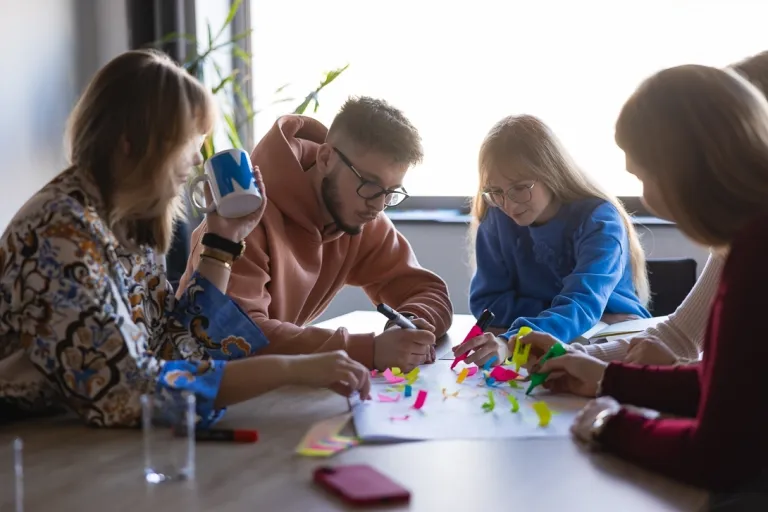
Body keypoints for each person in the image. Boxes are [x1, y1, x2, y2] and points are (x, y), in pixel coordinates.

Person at [0, 50, 370, 428]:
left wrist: (223, 241)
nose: (197, 159)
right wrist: (290, 370)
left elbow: (173, 345)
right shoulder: (61, 233)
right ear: (130, 143)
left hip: (71, 436)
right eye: (187, 141)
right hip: (25, 441)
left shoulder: (127, 224)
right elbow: (129, 391)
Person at [520, 64, 768, 492]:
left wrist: (608, 424)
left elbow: (718, 454)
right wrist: (606, 375)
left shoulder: (755, 251)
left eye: (642, 177)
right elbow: (731, 383)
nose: (647, 199)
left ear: (685, 168)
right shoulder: (749, 238)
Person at [178, 98, 453, 373]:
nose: (378, 205)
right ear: (325, 158)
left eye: (391, 192)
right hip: (199, 381)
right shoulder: (243, 218)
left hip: (270, 382)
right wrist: (369, 350)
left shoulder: (359, 214)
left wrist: (407, 322)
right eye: (370, 184)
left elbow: (428, 291)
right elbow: (239, 337)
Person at [572, 50, 768, 366]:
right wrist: (577, 357)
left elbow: (734, 395)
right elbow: (682, 339)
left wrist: (656, 375)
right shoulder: (739, 242)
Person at [457, 114, 650, 368]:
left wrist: (511, 339)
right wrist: (562, 311)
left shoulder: (599, 219)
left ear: (550, 172)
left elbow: (583, 302)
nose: (509, 204)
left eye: (520, 187)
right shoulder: (495, 217)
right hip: (565, 334)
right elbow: (487, 304)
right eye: (496, 192)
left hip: (616, 341)